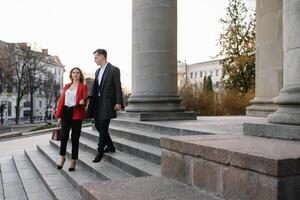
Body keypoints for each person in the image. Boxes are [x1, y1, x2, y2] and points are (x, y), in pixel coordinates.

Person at [86, 49, 123, 163]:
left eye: (96, 57)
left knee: (103, 126)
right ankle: (110, 146)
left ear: (102, 56)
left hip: (108, 103)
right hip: (98, 103)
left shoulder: (114, 69)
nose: (94, 60)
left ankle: (100, 151)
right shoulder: (97, 71)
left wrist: (119, 102)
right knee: (97, 125)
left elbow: (118, 86)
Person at [55, 67, 88, 171]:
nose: (75, 74)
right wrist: (59, 115)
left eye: (78, 72)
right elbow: (61, 101)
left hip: (76, 112)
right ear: (71, 74)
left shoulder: (83, 87)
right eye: (73, 72)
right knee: (64, 136)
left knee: (75, 137)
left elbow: (85, 101)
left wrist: (83, 103)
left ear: (80, 75)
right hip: (65, 112)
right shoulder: (67, 86)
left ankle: (73, 160)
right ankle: (62, 157)